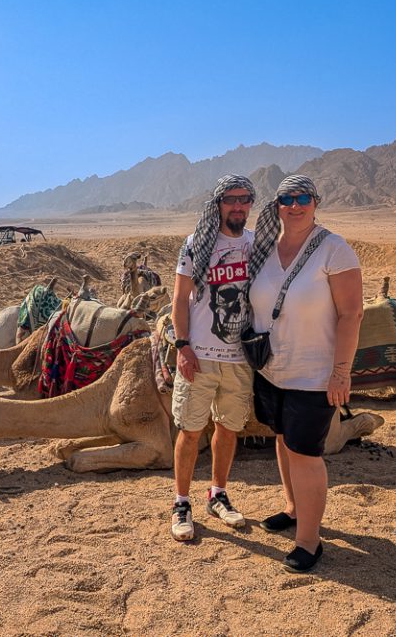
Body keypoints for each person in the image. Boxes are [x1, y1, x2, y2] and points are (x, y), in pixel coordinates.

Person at [246, 175, 363, 572]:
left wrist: (341, 372)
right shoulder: (265, 248)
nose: (294, 205)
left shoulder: (334, 249)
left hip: (315, 375)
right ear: (276, 205)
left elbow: (352, 314)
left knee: (305, 453)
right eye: (286, 198)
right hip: (271, 370)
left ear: (316, 202)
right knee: (283, 440)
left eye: (303, 198)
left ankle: (309, 541)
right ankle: (294, 508)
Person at [170, 174, 256, 541]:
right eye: (230, 199)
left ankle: (218, 494)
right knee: (190, 431)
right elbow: (179, 298)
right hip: (200, 356)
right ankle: (181, 502)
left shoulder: (257, 245)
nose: (237, 205)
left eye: (244, 199)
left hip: (239, 358)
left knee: (228, 428)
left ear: (251, 204)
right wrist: (182, 345)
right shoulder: (196, 244)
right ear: (218, 204)